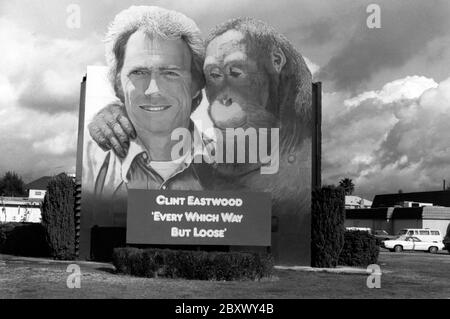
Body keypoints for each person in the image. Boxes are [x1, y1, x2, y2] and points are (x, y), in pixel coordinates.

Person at [85, 6, 213, 200]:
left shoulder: (235, 167)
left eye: (170, 73)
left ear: (196, 84)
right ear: (118, 85)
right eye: (138, 73)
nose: (153, 89)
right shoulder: (92, 162)